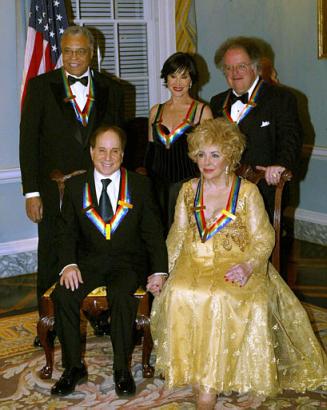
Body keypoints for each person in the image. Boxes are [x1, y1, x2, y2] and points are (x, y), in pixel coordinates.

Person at [150, 118, 327, 409]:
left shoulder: (246, 192)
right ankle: (197, 374)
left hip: (239, 262)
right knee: (181, 292)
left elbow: (263, 238)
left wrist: (248, 266)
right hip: (193, 259)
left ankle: (224, 378)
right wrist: (162, 272)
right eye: (201, 154)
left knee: (223, 297)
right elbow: (177, 235)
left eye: (215, 155)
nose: (206, 162)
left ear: (230, 157)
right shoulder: (188, 190)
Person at [19, 26, 124, 341]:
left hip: (99, 186)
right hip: (55, 189)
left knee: (97, 250)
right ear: (60, 52)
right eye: (67, 51)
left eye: (80, 51)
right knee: (52, 252)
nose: (73, 57)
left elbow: (118, 142)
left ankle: (98, 312)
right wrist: (32, 193)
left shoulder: (112, 89)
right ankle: (48, 323)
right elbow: (28, 144)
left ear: (91, 53)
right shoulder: (40, 87)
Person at [51, 125, 168, 397]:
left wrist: (160, 270)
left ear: (123, 154)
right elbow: (65, 232)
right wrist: (68, 264)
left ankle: (121, 369)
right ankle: (73, 368)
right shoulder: (75, 186)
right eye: (101, 150)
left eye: (114, 150)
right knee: (64, 295)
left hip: (127, 263)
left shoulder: (139, 186)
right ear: (92, 152)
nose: (108, 156)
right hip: (87, 263)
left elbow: (153, 233)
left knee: (121, 294)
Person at [210, 36, 302, 219]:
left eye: (241, 66)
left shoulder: (281, 98)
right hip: (222, 192)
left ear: (255, 67)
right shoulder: (216, 102)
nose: (235, 72)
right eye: (229, 68)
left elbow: (291, 138)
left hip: (266, 190)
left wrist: (280, 164)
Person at [146, 52, 213, 233]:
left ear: (191, 80)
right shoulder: (155, 111)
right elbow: (150, 153)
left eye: (184, 77)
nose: (178, 82)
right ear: (166, 78)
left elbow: (208, 157)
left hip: (188, 187)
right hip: (157, 188)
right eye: (173, 76)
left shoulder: (202, 112)